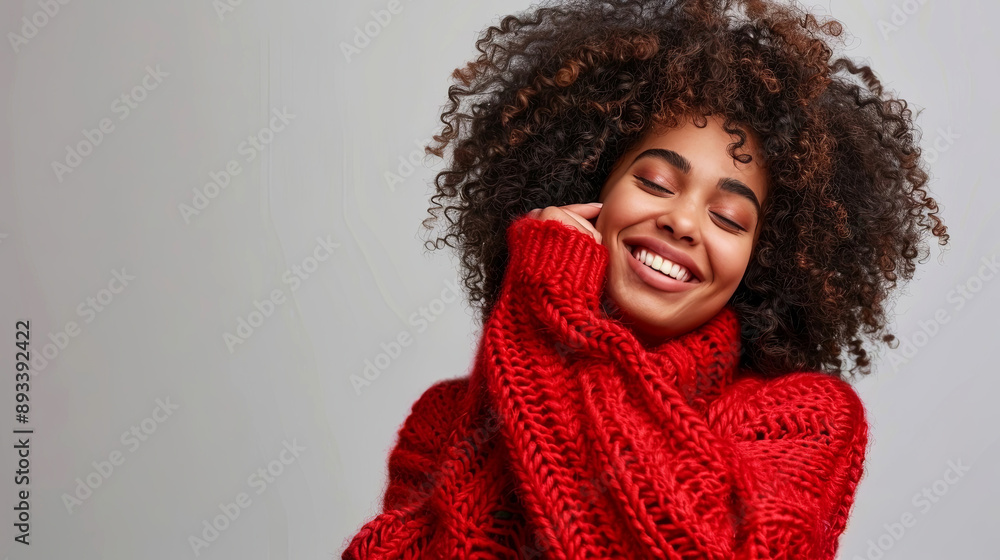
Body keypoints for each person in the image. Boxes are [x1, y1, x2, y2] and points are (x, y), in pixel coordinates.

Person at [342, 0, 949, 557]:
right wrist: (532, 331)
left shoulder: (804, 417)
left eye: (729, 218)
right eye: (656, 182)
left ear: (761, 262)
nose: (683, 220)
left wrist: (549, 337)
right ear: (589, 189)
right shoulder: (448, 417)